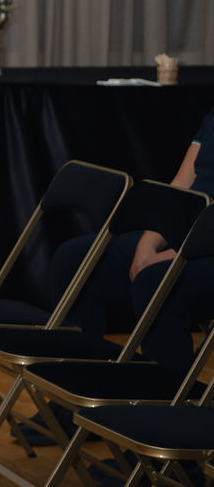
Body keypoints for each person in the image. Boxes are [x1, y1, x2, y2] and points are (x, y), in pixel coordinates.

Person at [50, 107, 214, 380]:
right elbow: (180, 186)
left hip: (204, 247)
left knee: (157, 281)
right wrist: (147, 244)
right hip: (189, 237)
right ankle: (80, 384)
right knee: (76, 260)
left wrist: (182, 253)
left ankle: (166, 398)